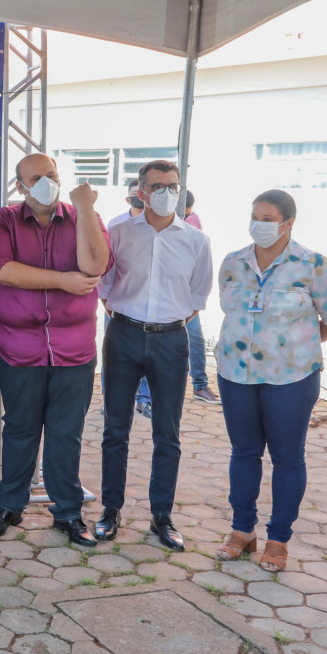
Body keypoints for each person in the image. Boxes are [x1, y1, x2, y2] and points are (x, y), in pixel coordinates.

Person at [0, 154, 110, 546]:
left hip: (75, 349)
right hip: (18, 348)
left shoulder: (83, 217)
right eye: (35, 178)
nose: (46, 183)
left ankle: (67, 512)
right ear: (20, 186)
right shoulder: (3, 220)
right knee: (20, 428)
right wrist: (62, 281)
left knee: (66, 432)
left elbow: (96, 266)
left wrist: (85, 208)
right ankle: (9, 506)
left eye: (51, 175)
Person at [213, 190, 327, 572]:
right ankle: (242, 530)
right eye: (255, 216)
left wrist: (295, 346)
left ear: (288, 223)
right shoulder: (233, 262)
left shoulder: (314, 265)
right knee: (244, 452)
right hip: (235, 374)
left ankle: (278, 539)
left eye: (268, 219)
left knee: (287, 457)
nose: (258, 224)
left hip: (292, 377)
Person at [95, 160, 213, 550]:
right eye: (158, 186)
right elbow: (105, 286)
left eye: (173, 186)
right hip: (123, 335)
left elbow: (197, 297)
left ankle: (161, 515)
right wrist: (129, 319)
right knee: (115, 428)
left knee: (168, 432)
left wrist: (164, 323)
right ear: (141, 191)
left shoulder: (196, 240)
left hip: (171, 341)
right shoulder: (118, 233)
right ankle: (110, 509)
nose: (166, 194)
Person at [104, 179, 151, 417]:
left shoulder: (160, 227)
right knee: (115, 361)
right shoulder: (116, 226)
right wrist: (109, 306)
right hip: (120, 309)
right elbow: (107, 271)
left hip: (151, 310)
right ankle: (111, 402)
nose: (138, 196)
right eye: (134, 193)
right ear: (128, 198)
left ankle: (144, 400)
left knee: (149, 359)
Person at [183, 190, 221, 406]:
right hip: (161, 299)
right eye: (185, 213)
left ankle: (200, 385)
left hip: (186, 298)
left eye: (189, 213)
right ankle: (144, 396)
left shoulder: (193, 221)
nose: (188, 216)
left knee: (195, 340)